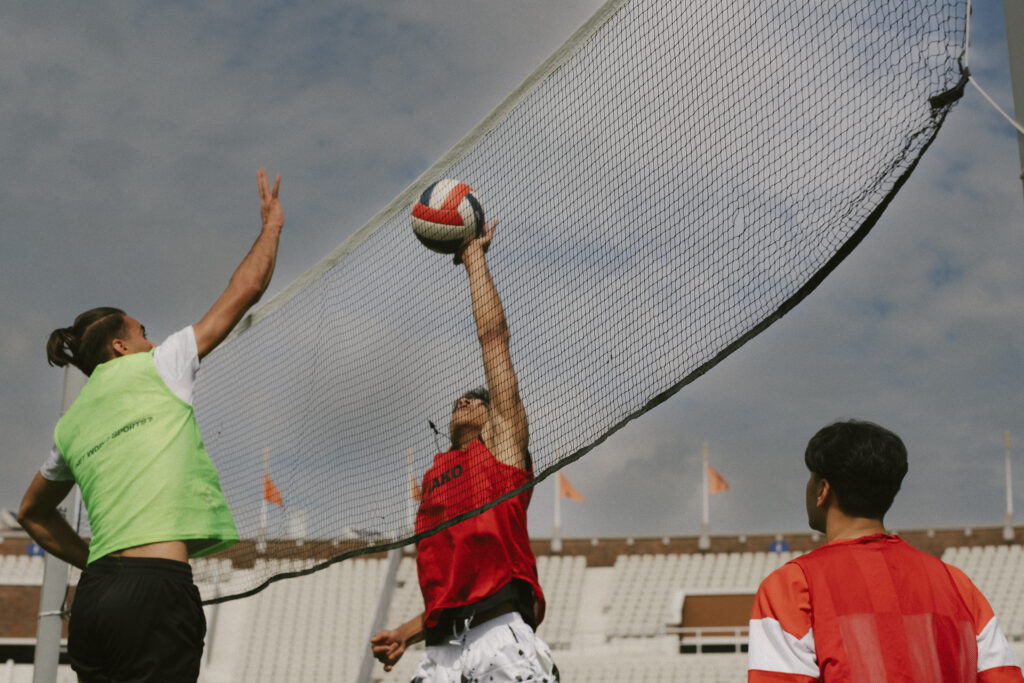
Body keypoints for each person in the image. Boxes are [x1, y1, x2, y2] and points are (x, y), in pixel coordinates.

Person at [17, 168, 285, 683]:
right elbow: (247, 287)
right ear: (120, 346)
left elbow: (32, 514)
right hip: (156, 588)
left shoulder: (69, 426)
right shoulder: (160, 364)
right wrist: (271, 226)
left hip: (95, 601)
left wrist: (92, 558)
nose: (150, 338)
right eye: (142, 331)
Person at [370, 220, 558, 682]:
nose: (466, 399)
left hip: (500, 635)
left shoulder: (503, 450)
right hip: (442, 651)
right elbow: (454, 591)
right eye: (460, 398)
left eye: (478, 397)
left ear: (497, 415)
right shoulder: (435, 474)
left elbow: (493, 339)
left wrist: (474, 259)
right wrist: (406, 632)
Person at [748, 419, 1024, 683]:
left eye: (811, 478)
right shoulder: (959, 585)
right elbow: (1002, 676)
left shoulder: (792, 587)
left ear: (822, 490)